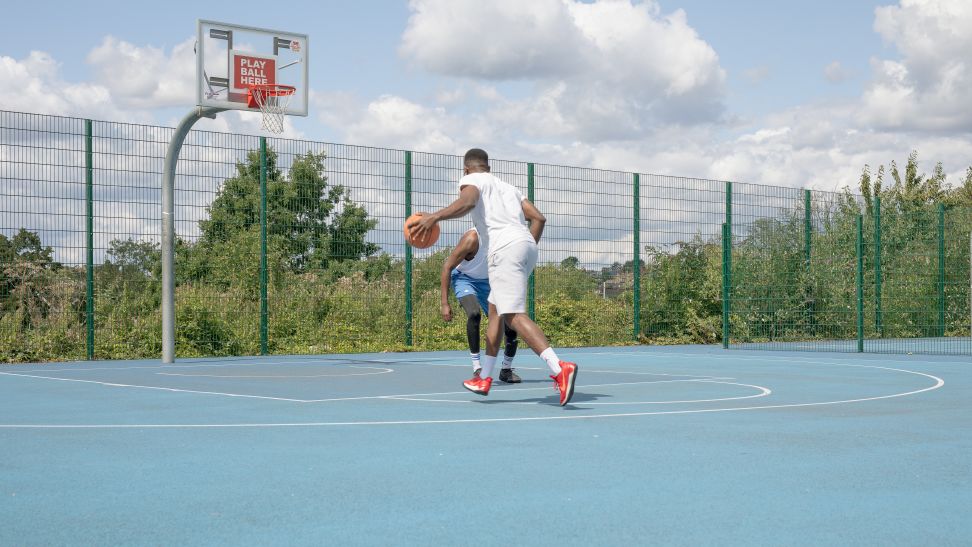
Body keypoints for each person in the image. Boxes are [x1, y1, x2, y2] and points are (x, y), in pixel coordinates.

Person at [408, 148, 578, 406]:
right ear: (488, 165)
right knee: (495, 310)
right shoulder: (509, 188)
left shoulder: (472, 181)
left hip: (504, 249)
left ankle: (558, 368)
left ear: (466, 169)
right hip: (526, 244)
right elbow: (539, 218)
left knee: (512, 315)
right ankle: (484, 377)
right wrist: (523, 244)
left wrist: (435, 216)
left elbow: (467, 203)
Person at [440, 227, 521, 383]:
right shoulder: (472, 238)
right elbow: (447, 267)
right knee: (474, 314)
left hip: (489, 281)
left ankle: (506, 369)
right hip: (465, 279)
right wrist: (444, 303)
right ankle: (477, 367)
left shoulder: (505, 238)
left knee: (511, 323)